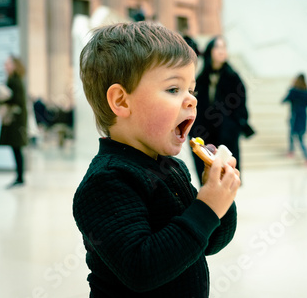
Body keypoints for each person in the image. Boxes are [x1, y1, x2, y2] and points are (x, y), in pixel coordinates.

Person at [73, 22, 240, 297]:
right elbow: (142, 269)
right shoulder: (106, 182)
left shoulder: (173, 168)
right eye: (174, 89)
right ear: (122, 102)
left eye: (192, 89)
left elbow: (208, 242)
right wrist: (207, 207)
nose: (191, 101)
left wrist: (221, 196)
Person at [189, 35, 252, 185]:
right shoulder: (201, 78)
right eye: (218, 47)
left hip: (226, 136)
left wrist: (232, 126)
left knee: (226, 179)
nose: (222, 51)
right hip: (204, 134)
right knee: (206, 178)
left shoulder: (233, 78)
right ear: (210, 50)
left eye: (224, 47)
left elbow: (241, 108)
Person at [0, 55, 28, 187]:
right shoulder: (12, 79)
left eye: (8, 64)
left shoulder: (15, 81)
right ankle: (19, 176)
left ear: (14, 65)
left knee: (16, 148)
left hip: (15, 120)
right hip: (15, 119)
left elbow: (15, 100)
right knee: (16, 148)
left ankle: (20, 177)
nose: (5, 66)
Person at [282, 73, 307, 165]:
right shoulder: (306, 92)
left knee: (292, 134)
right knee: (300, 137)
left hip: (295, 115)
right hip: (303, 116)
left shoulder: (294, 90)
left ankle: (291, 151)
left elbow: (285, 100)